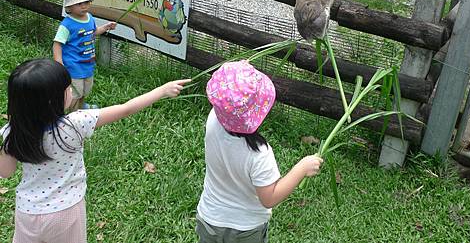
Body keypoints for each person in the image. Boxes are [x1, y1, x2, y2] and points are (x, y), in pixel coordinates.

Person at [0, 58, 190, 243]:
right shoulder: (75, 124)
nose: (71, 91)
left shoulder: (13, 131)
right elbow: (125, 109)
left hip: (27, 211)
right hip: (66, 211)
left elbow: (6, 172)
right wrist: (162, 90)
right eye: (67, 89)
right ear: (52, 101)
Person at [196, 60, 323, 243]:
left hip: (209, 218)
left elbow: (230, 101)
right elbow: (269, 198)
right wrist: (301, 169)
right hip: (245, 230)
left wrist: (238, 72)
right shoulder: (258, 154)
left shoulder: (213, 120)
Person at [52, 0, 116, 110]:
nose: (84, 6)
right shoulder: (67, 25)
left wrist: (106, 27)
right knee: (75, 90)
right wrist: (59, 62)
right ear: (69, 7)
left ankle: (81, 106)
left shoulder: (89, 18)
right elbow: (57, 44)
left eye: (86, 2)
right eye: (79, 3)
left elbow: (93, 33)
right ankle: (73, 113)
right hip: (73, 64)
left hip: (87, 63)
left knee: (86, 87)